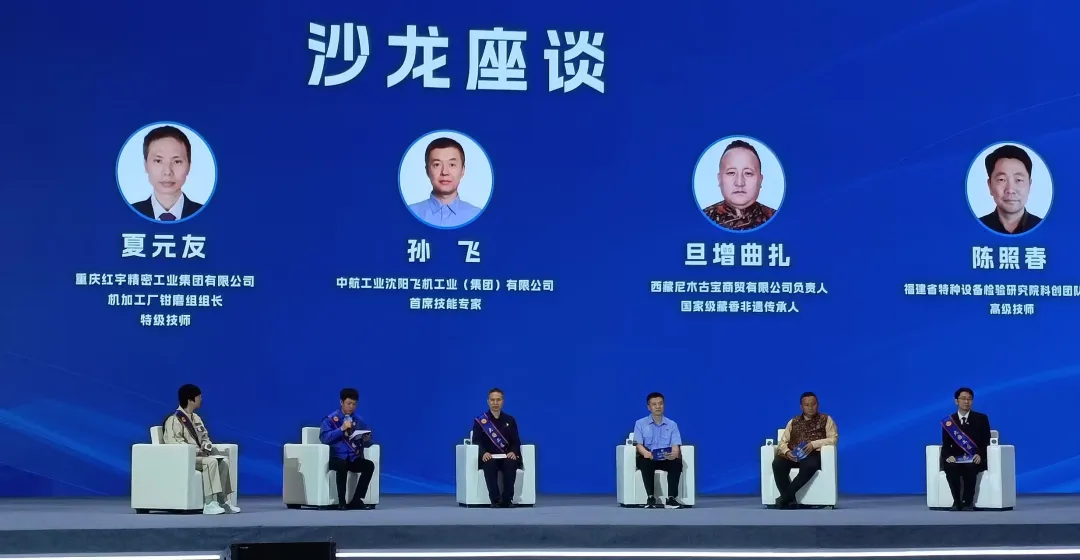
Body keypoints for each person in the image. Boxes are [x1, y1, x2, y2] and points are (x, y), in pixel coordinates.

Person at [161, 384, 238, 514]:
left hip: (199, 456)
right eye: (199, 397)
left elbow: (205, 437)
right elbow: (175, 444)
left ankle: (222, 501)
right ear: (190, 400)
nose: (201, 399)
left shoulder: (196, 418)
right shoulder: (174, 420)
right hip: (185, 459)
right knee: (211, 462)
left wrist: (206, 446)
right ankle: (209, 503)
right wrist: (197, 451)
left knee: (223, 462)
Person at [771, 392, 838, 508]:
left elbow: (833, 439)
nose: (810, 407)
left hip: (812, 454)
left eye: (813, 404)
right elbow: (783, 442)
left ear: (817, 404)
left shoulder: (826, 419)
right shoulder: (793, 421)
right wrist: (787, 452)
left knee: (810, 465)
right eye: (807, 405)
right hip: (793, 453)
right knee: (778, 463)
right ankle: (790, 501)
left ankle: (784, 498)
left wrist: (813, 444)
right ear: (801, 407)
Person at [319, 388, 376, 510]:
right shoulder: (330, 420)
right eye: (349, 403)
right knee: (342, 464)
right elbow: (324, 438)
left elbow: (365, 440)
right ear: (341, 402)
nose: (351, 407)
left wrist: (366, 439)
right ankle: (341, 501)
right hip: (336, 457)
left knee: (369, 465)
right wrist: (341, 429)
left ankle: (357, 500)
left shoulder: (358, 420)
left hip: (353, 457)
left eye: (354, 404)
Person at [132, 125, 204, 221]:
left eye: (177, 161)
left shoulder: (206, 214)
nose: (167, 172)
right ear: (145, 165)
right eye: (158, 161)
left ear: (189, 166)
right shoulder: (129, 214)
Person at [701, 140, 776, 231]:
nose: (739, 183)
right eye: (731, 173)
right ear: (719, 179)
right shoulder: (701, 219)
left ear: (760, 180)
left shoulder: (777, 219)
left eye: (748, 173)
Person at [407, 137, 481, 227]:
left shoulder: (477, 215)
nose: (445, 172)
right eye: (437, 164)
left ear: (463, 170)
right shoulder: (409, 213)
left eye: (452, 165)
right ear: (427, 171)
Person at [939, 387, 992, 511]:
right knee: (950, 467)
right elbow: (945, 444)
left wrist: (980, 454)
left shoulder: (981, 418)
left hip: (974, 457)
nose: (966, 401)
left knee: (970, 466)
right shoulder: (949, 422)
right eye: (963, 398)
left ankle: (968, 502)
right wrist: (948, 456)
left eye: (969, 399)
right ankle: (957, 502)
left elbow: (986, 441)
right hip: (956, 458)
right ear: (956, 401)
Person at [632, 392, 686, 509]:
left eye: (660, 404)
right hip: (649, 457)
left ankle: (671, 498)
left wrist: (674, 454)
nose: (658, 407)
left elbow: (675, 445)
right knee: (644, 462)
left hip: (665, 458)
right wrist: (646, 453)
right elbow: (638, 444)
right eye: (654, 404)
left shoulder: (672, 425)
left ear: (664, 405)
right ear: (649, 407)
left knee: (676, 463)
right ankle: (650, 497)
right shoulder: (640, 423)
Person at [472, 387, 522, 507]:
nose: (495, 403)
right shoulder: (481, 421)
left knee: (511, 463)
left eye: (498, 400)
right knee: (490, 464)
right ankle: (495, 500)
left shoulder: (510, 420)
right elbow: (476, 441)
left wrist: (513, 452)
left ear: (502, 401)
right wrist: (483, 453)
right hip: (488, 457)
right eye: (492, 400)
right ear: (488, 401)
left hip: (506, 456)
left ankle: (507, 500)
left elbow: (516, 441)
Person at [978, 144, 1042, 234]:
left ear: (1029, 185)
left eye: (1018, 180)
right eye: (1001, 179)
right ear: (990, 185)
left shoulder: (1045, 228)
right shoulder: (974, 228)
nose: (1010, 190)